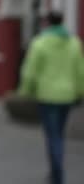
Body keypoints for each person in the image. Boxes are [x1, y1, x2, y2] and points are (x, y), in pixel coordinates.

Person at [18, 11, 84, 184]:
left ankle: (58, 175)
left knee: (53, 136)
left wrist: (26, 91)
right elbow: (80, 71)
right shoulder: (74, 43)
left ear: (47, 22)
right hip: (67, 96)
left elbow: (30, 71)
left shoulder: (40, 43)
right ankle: (54, 172)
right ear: (62, 22)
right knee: (59, 133)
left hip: (47, 97)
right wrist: (80, 92)